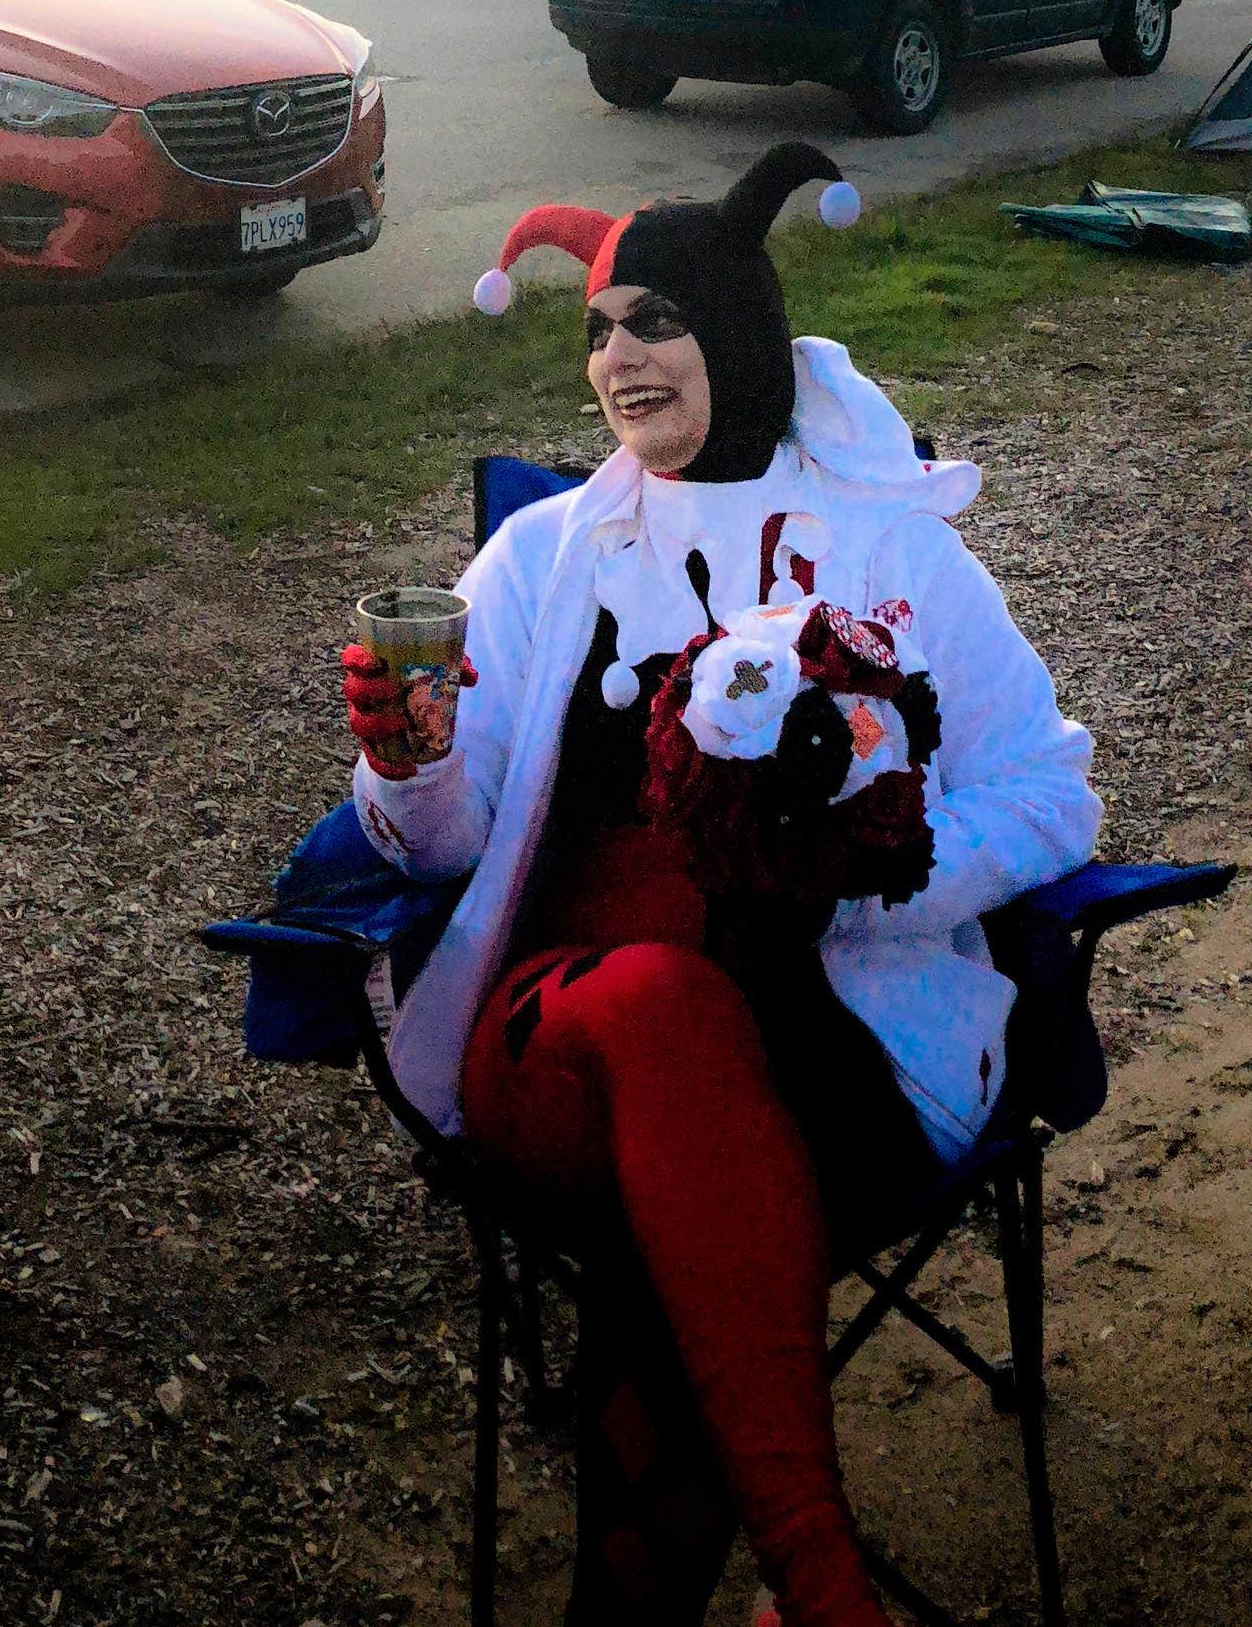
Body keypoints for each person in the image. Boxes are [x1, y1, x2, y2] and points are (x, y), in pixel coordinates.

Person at [355, 143, 1106, 1627]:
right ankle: (825, 1585)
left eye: (657, 317)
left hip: (839, 1057)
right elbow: (446, 849)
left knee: (671, 1221)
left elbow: (1053, 789)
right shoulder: (535, 557)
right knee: (659, 1005)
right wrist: (406, 762)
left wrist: (869, 877)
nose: (620, 353)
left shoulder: (894, 548)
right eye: (597, 328)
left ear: (740, 332)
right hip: (560, 1037)